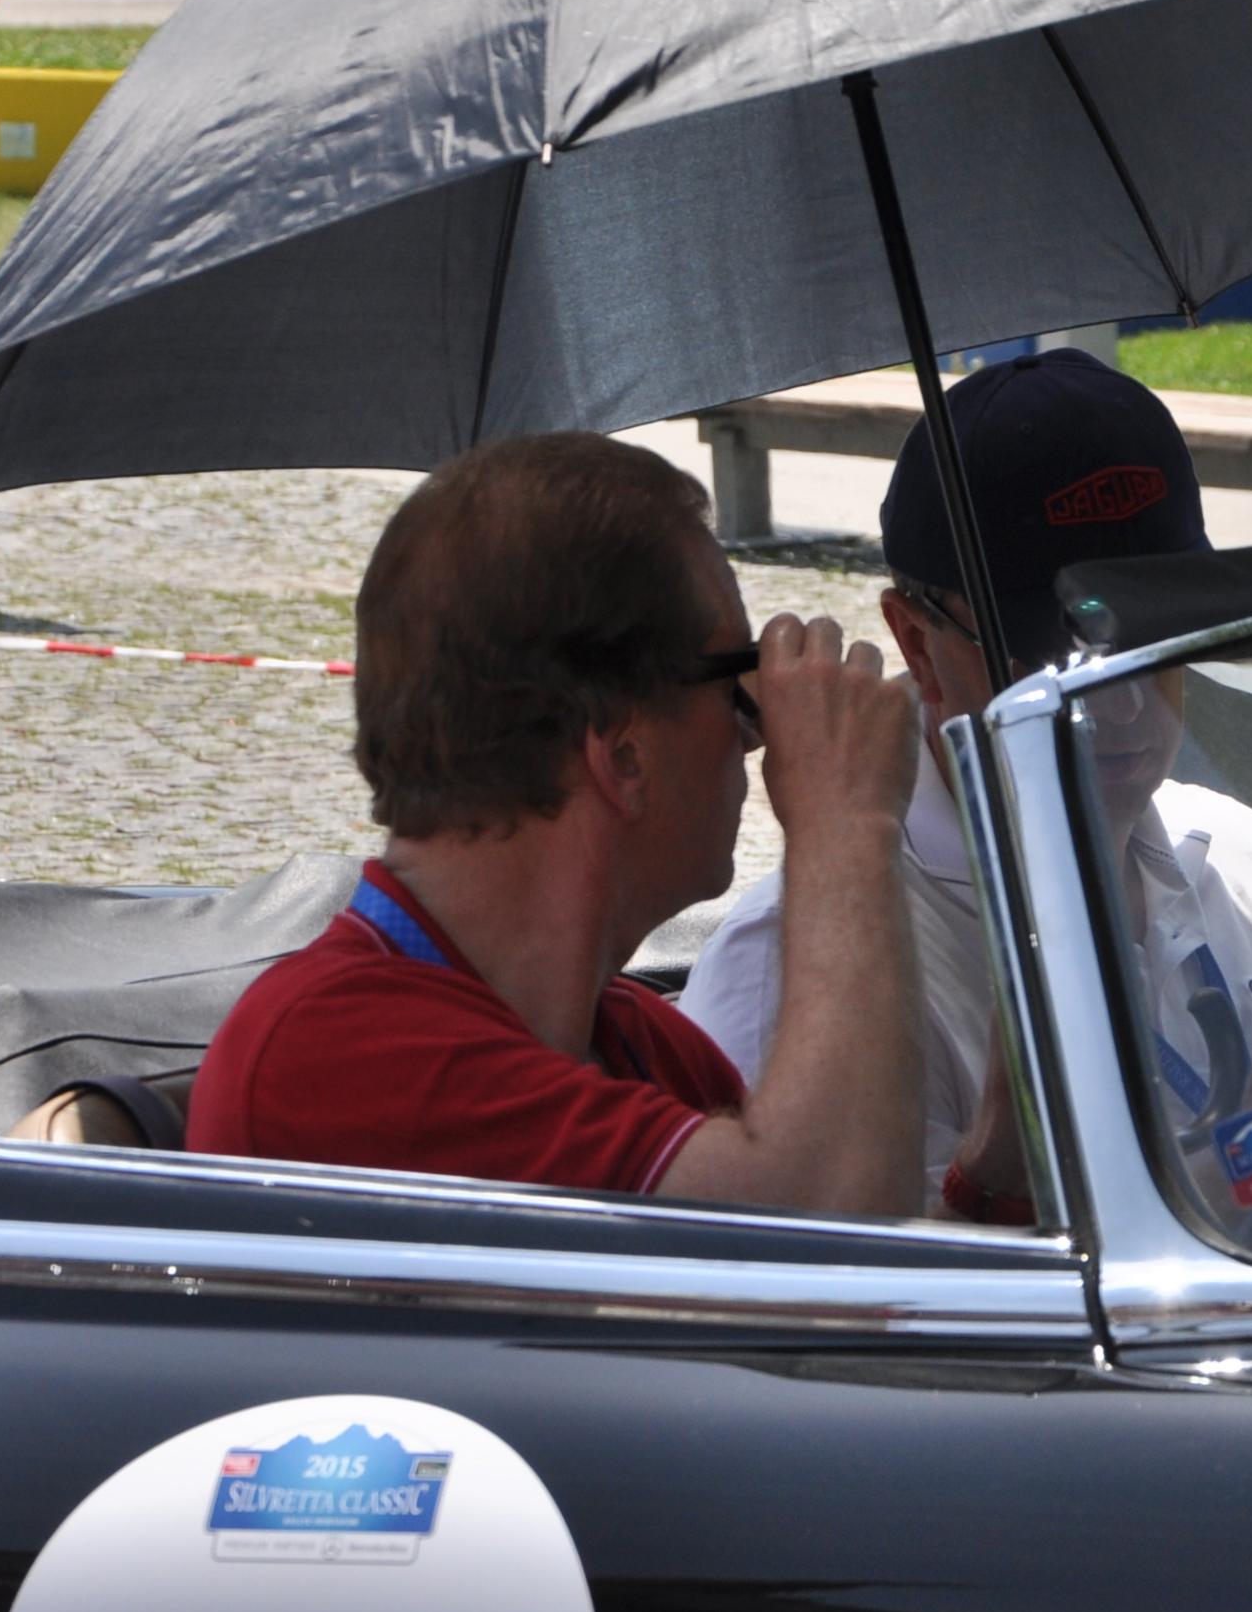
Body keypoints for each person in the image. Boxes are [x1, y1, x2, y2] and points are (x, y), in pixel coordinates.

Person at [680, 352, 1252, 1223]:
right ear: (914, 642)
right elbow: (887, 1302)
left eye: (1157, 632)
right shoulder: (792, 976)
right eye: (1056, 655)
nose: (1123, 699)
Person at [189, 432, 926, 1216]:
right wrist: (845, 820)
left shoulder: (638, 1041)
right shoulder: (341, 1049)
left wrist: (990, 1164)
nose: (756, 733)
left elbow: (872, 1237)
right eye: (735, 686)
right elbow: (831, 1228)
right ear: (624, 754)